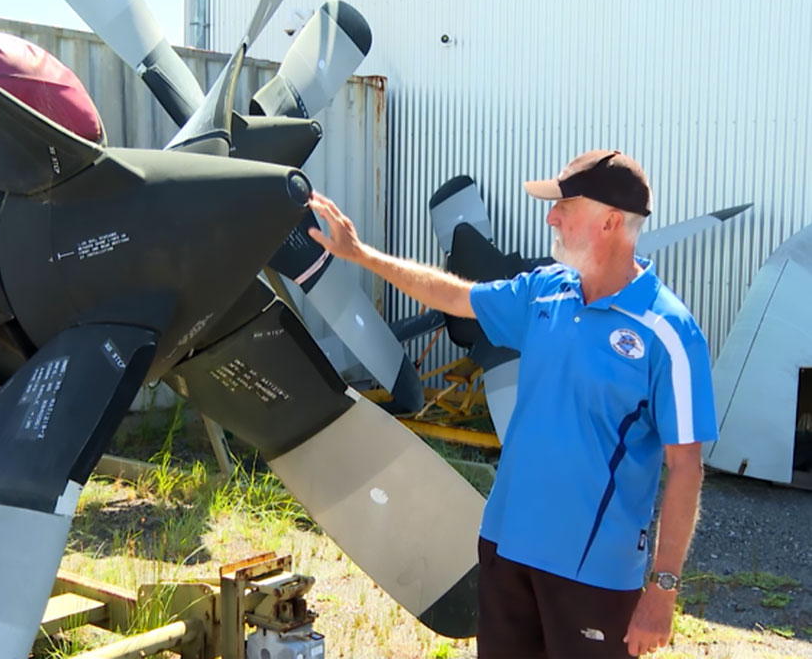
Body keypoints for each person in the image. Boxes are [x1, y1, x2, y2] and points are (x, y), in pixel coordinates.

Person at [307, 150, 718, 659]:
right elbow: (454, 296)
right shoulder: (545, 291)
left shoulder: (669, 332)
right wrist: (363, 255)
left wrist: (663, 588)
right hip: (506, 552)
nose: (551, 218)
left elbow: (686, 466)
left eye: (565, 206)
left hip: (595, 574)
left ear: (611, 221)